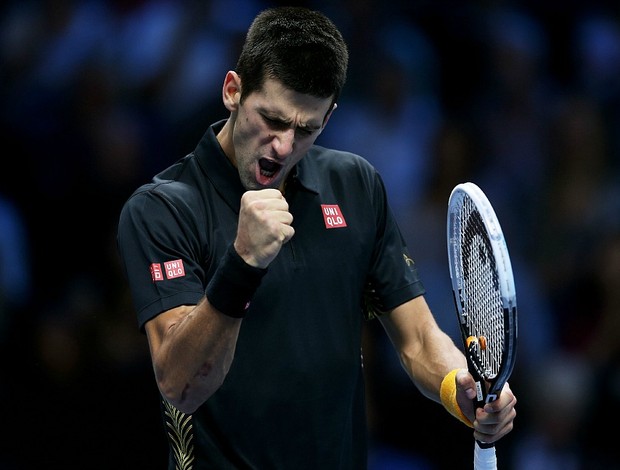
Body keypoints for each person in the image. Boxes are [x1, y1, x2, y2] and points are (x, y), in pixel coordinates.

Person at [117, 6, 517, 469]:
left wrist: (457, 387)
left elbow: (418, 338)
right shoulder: (162, 208)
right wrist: (243, 263)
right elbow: (182, 385)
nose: (284, 146)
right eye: (272, 119)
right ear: (232, 91)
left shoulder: (356, 184)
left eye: (307, 128)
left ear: (328, 116)